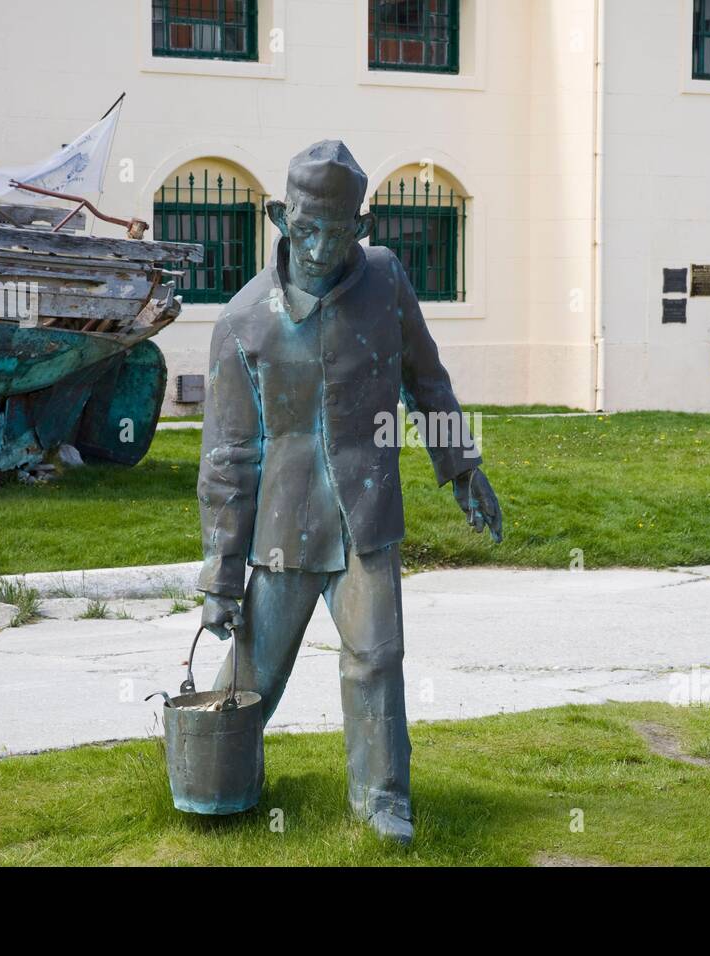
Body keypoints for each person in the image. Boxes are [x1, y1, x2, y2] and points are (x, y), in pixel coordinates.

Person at [195, 141, 503, 843]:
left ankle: (382, 800)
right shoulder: (243, 322)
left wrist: (461, 466)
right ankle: (216, 780)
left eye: (337, 230)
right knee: (253, 674)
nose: (321, 244)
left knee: (376, 659)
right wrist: (220, 576)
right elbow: (226, 458)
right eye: (306, 227)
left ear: (360, 227)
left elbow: (428, 379)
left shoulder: (388, 280)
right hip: (283, 527)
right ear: (280, 216)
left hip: (366, 518)